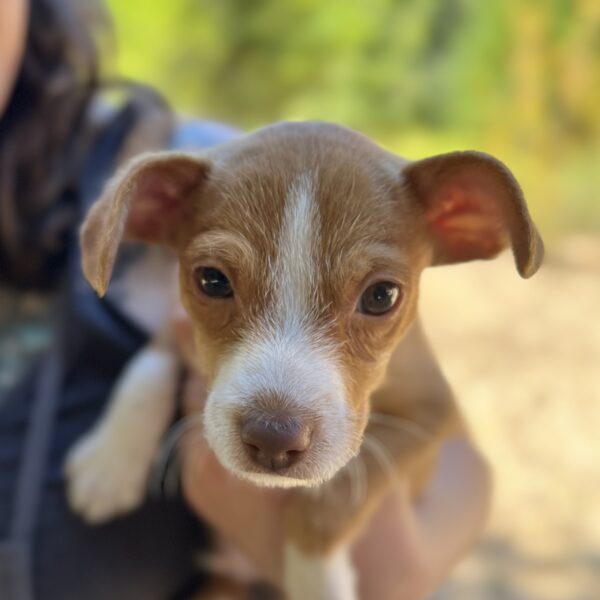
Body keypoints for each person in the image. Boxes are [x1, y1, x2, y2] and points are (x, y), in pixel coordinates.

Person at [0, 1, 492, 598]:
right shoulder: (193, 193)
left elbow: (459, 455)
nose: (280, 420)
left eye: (379, 295)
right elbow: (183, 329)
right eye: (214, 282)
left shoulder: (233, 164)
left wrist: (333, 551)